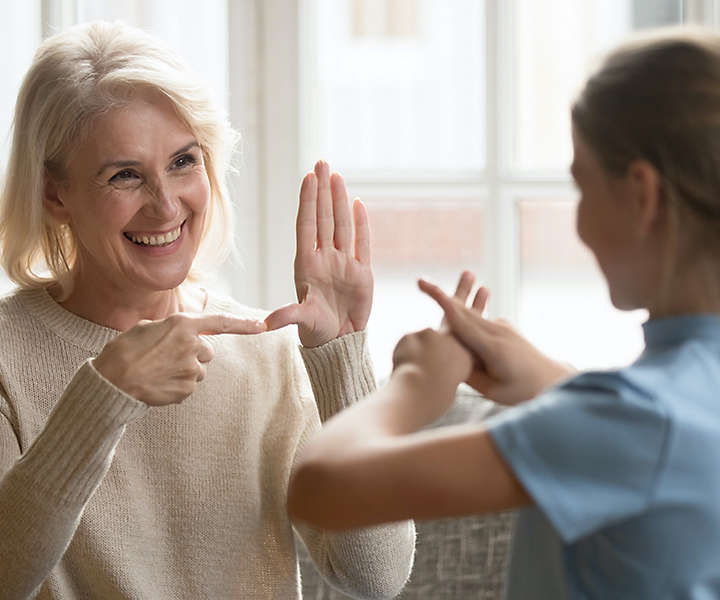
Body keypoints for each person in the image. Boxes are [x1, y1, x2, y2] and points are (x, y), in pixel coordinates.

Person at [287, 26, 720, 599]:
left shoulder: (631, 425)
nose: (581, 223)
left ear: (643, 195)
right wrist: (550, 381)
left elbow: (320, 488)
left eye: (582, 188)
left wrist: (417, 385)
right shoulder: (672, 404)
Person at [0, 21, 414, 599]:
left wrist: (341, 359)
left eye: (183, 161)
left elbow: (376, 576)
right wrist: (103, 396)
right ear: (54, 194)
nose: (166, 205)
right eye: (125, 175)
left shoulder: (264, 352)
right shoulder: (7, 355)